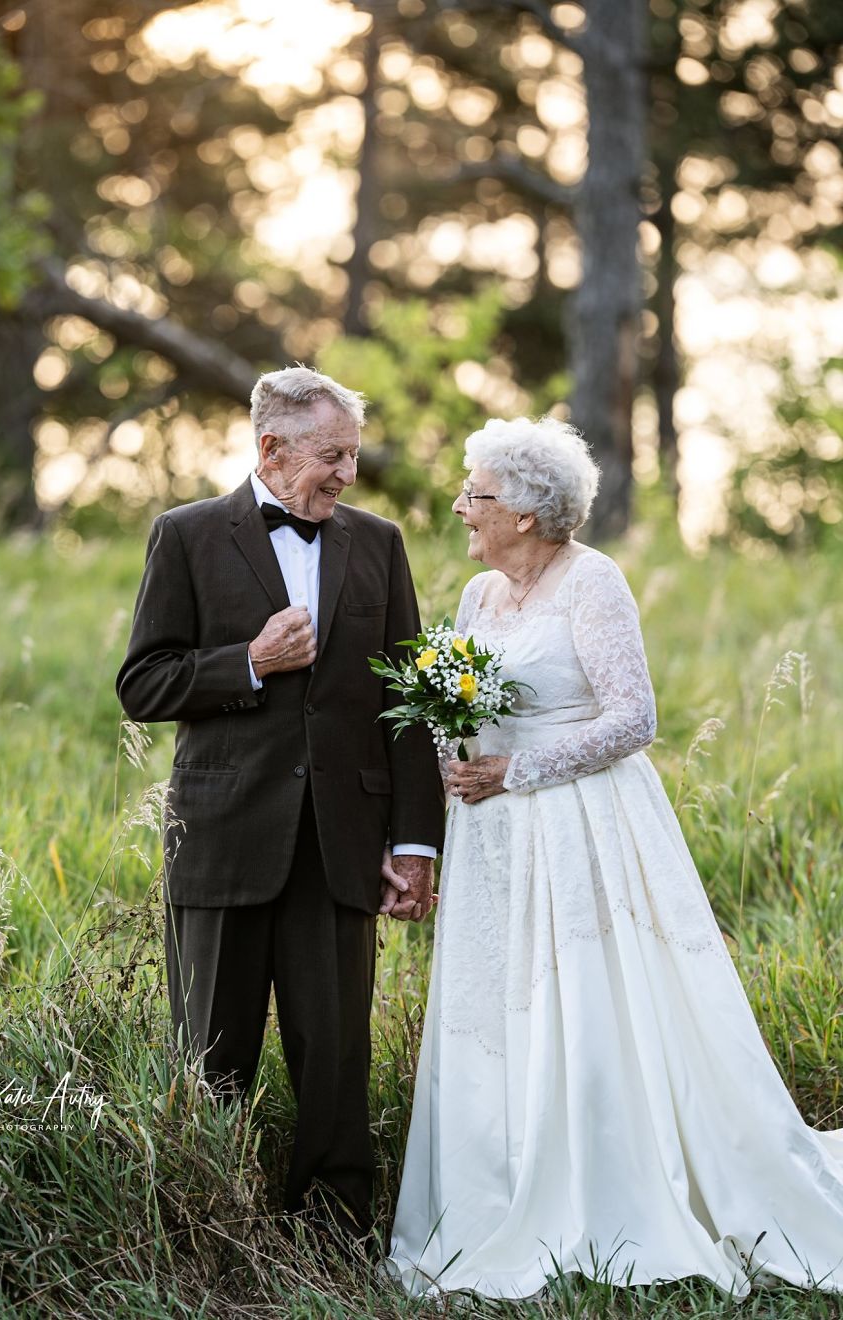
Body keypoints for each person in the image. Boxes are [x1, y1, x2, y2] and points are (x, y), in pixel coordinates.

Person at [387, 415, 843, 1299]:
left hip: (578, 823)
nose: (460, 508)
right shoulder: (478, 595)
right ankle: (493, 1188)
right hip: (491, 836)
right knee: (497, 1000)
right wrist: (453, 760)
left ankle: (604, 1189)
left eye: (476, 495)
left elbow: (635, 718)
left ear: (525, 513)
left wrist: (518, 771)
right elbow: (459, 708)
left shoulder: (592, 581)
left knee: (584, 999)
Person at [116, 366, 445, 1238]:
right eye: (333, 456)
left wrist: (415, 842)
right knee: (209, 1056)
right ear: (272, 447)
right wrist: (250, 662)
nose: (348, 474)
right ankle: (201, 1230)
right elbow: (142, 684)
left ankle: (336, 1236)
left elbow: (408, 702)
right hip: (222, 840)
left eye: (353, 455)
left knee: (336, 1058)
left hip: (341, 843)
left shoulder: (379, 544)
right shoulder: (186, 535)